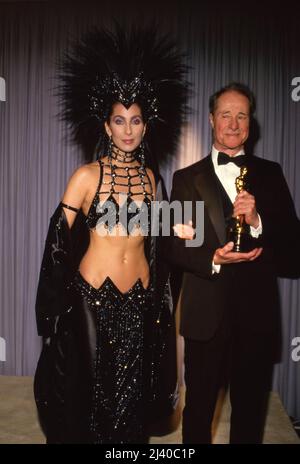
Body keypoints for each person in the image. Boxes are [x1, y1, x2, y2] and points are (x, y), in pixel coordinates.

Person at [34, 25, 188, 444]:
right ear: (106, 126)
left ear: (145, 126)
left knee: (130, 395)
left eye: (135, 120)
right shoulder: (85, 177)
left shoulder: (153, 180)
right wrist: (52, 305)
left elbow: (156, 241)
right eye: (119, 120)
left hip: (138, 296)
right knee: (91, 394)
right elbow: (57, 242)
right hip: (91, 297)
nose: (128, 129)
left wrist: (177, 227)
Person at [170, 82, 300, 444]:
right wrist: (211, 257)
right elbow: (176, 248)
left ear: (250, 124)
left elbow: (294, 249)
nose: (233, 123)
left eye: (241, 115)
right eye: (225, 114)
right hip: (205, 318)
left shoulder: (271, 174)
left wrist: (258, 221)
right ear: (211, 119)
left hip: (256, 319)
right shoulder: (186, 179)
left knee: (249, 417)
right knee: (197, 415)